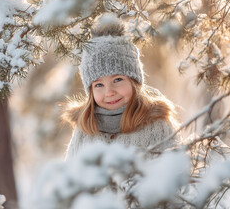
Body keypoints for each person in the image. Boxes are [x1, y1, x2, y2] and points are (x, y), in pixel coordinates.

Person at [62, 16, 179, 160]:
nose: (109, 92)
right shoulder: (85, 130)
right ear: (90, 91)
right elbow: (72, 175)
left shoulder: (157, 126)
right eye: (99, 85)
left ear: (134, 81)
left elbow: (174, 173)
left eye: (117, 80)